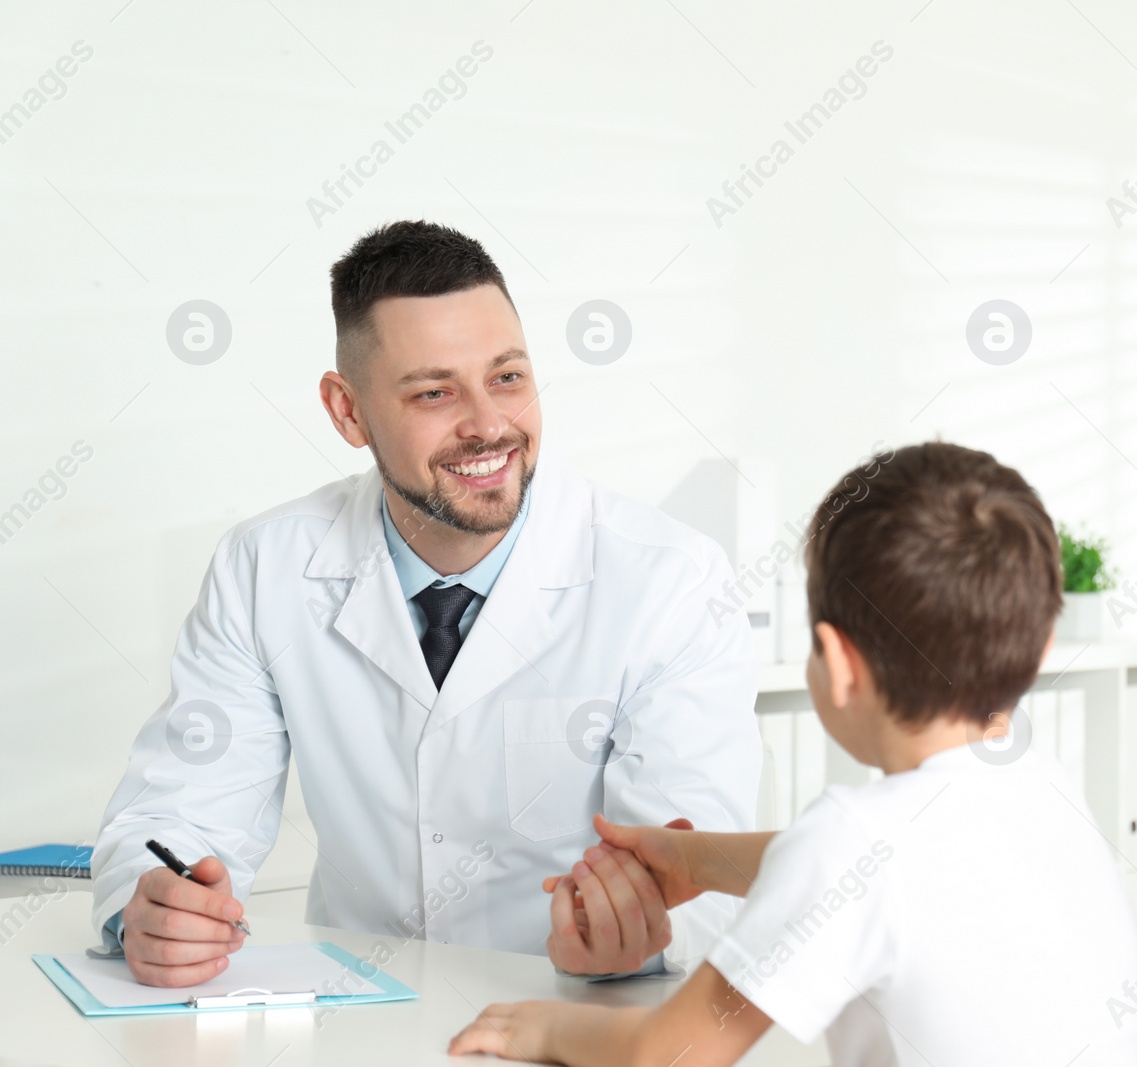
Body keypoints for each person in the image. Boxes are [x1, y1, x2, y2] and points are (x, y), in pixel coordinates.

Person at [90, 221, 761, 986]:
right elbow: (183, 806)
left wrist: (642, 928)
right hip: (359, 1017)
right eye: (435, 392)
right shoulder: (265, 567)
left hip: (585, 1015)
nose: (488, 424)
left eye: (507, 377)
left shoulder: (669, 580)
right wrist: (154, 907)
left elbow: (699, 859)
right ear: (348, 412)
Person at [448, 442, 1137, 1066]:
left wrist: (541, 1025)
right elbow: (881, 871)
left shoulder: (854, 840)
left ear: (837, 663)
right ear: (1040, 645)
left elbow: (665, 1054)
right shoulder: (1041, 787)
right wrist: (696, 862)